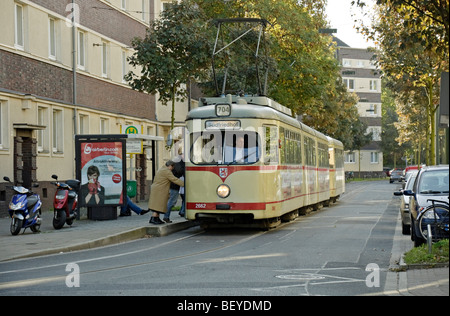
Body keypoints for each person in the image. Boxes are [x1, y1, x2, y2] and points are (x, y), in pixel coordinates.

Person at [148, 160, 184, 225]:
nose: (172, 169)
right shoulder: (166, 171)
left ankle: (156, 218)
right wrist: (184, 184)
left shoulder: (162, 168)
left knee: (159, 204)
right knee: (158, 204)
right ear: (170, 166)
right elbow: (174, 179)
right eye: (172, 167)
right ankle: (153, 218)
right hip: (160, 189)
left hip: (158, 188)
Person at [164, 149, 185, 223]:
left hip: (173, 185)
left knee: (171, 201)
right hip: (174, 185)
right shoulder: (178, 162)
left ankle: (166, 216)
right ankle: (166, 216)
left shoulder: (178, 161)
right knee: (172, 202)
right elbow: (180, 171)